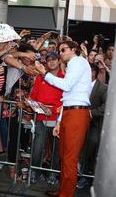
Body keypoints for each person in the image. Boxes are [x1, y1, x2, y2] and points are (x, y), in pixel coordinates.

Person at [35, 40, 92, 197]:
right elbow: (67, 97)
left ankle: (65, 194)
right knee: (64, 157)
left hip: (77, 114)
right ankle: (63, 191)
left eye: (63, 49)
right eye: (59, 50)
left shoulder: (78, 61)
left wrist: (44, 74)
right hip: (69, 112)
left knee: (69, 158)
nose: (60, 53)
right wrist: (59, 121)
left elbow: (66, 86)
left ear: (73, 49)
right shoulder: (74, 64)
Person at [30, 52, 64, 183]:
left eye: (54, 59)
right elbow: (33, 97)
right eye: (49, 60)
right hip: (41, 119)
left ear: (59, 61)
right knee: (38, 147)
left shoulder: (65, 77)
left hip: (58, 120)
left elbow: (66, 101)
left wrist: (53, 110)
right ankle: (34, 172)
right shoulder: (40, 77)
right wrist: (33, 104)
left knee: (56, 150)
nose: (51, 62)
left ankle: (53, 174)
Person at [77, 63, 108, 189]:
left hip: (94, 125)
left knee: (90, 151)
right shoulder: (79, 86)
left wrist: (91, 113)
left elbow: (106, 106)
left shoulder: (102, 88)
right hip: (79, 124)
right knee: (79, 151)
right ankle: (78, 175)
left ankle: (86, 177)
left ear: (93, 72)